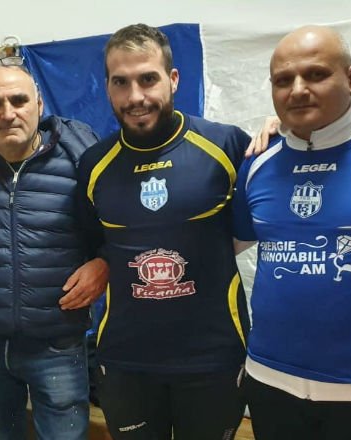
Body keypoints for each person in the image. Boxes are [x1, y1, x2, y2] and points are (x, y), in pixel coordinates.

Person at [231, 26, 351, 440]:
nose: (298, 90)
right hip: (269, 379)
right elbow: (228, 244)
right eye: (283, 80)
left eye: (316, 74)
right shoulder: (257, 161)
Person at [76, 24, 251, 440]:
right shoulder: (94, 164)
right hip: (126, 360)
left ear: (173, 79)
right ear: (107, 87)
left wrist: (281, 128)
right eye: (121, 82)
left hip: (213, 357)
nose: (135, 96)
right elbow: (93, 244)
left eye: (148, 79)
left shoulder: (226, 146)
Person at [0, 57, 108, 440]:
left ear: (38, 103)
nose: (8, 114)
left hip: (58, 342)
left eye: (18, 100)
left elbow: (120, 229)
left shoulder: (80, 159)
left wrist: (105, 263)